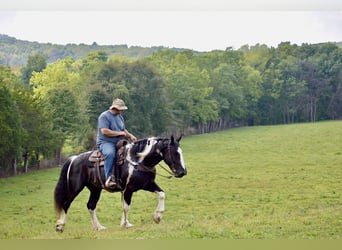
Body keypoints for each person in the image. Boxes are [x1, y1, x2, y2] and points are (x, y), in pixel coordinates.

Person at [96, 98, 137, 189]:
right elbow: (104, 131)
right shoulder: (104, 116)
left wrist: (130, 136)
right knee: (110, 154)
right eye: (121, 109)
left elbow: (123, 129)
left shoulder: (120, 117)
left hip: (118, 142)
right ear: (115, 108)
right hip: (106, 142)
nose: (122, 111)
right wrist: (120, 133)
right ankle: (109, 178)